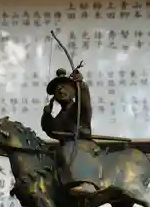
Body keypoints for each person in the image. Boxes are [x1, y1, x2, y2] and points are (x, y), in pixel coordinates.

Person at [41, 67, 103, 197]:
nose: (61, 91)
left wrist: (81, 85)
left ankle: (87, 183)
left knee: (71, 149)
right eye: (57, 91)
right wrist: (46, 115)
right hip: (66, 146)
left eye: (64, 88)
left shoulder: (79, 108)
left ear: (73, 90)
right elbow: (52, 131)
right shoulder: (60, 116)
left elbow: (85, 102)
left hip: (82, 145)